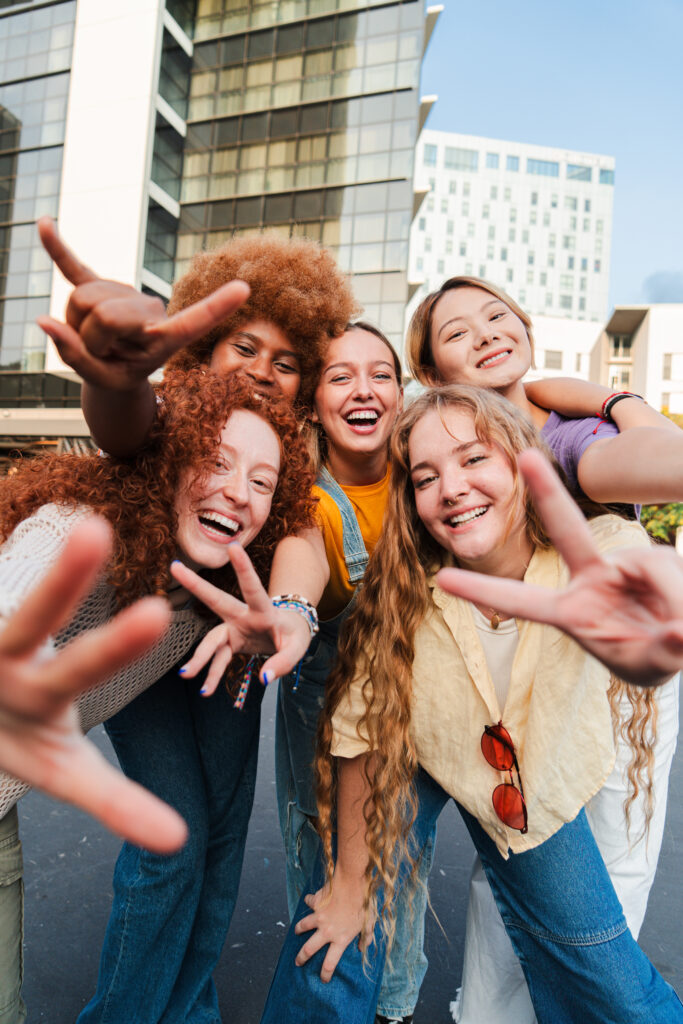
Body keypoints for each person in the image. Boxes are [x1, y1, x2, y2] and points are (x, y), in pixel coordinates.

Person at [259, 385, 683, 1024]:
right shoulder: (405, 593)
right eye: (425, 477)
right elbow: (362, 731)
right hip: (414, 752)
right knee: (336, 925)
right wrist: (350, 882)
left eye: (473, 460)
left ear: (521, 463)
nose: (451, 488)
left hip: (525, 785)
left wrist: (647, 635)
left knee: (604, 969)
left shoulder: (594, 549)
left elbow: (644, 596)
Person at [36, 219, 354, 1024]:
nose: (261, 372)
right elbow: (124, 419)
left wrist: (284, 611)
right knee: (170, 838)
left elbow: (303, 533)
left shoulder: (291, 459)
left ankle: (188, 1009)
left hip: (232, 655)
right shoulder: (175, 414)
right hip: (143, 649)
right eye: (244, 346)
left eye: (286, 363)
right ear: (204, 345)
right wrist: (114, 375)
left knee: (220, 840)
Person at [0, 368, 315, 1024]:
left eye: (261, 482)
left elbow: (310, 542)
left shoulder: (205, 597)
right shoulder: (73, 532)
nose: (237, 491)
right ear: (168, 460)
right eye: (215, 461)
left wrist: (290, 616)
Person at [405, 277, 681, 1023]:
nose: (486, 333)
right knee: (517, 849)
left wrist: (607, 401)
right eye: (457, 333)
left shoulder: (566, 437)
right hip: (496, 660)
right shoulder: (437, 448)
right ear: (432, 375)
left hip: (610, 656)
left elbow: (671, 463)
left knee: (603, 855)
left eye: (497, 316)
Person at [176, 322, 430, 1024]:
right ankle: (381, 1008)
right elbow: (303, 547)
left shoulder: (426, 470)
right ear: (314, 402)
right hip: (331, 718)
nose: (362, 388)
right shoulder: (307, 496)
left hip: (430, 701)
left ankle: (395, 1000)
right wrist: (290, 612)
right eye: (339, 376)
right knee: (329, 878)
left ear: (400, 395)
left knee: (401, 868)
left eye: (380, 373)